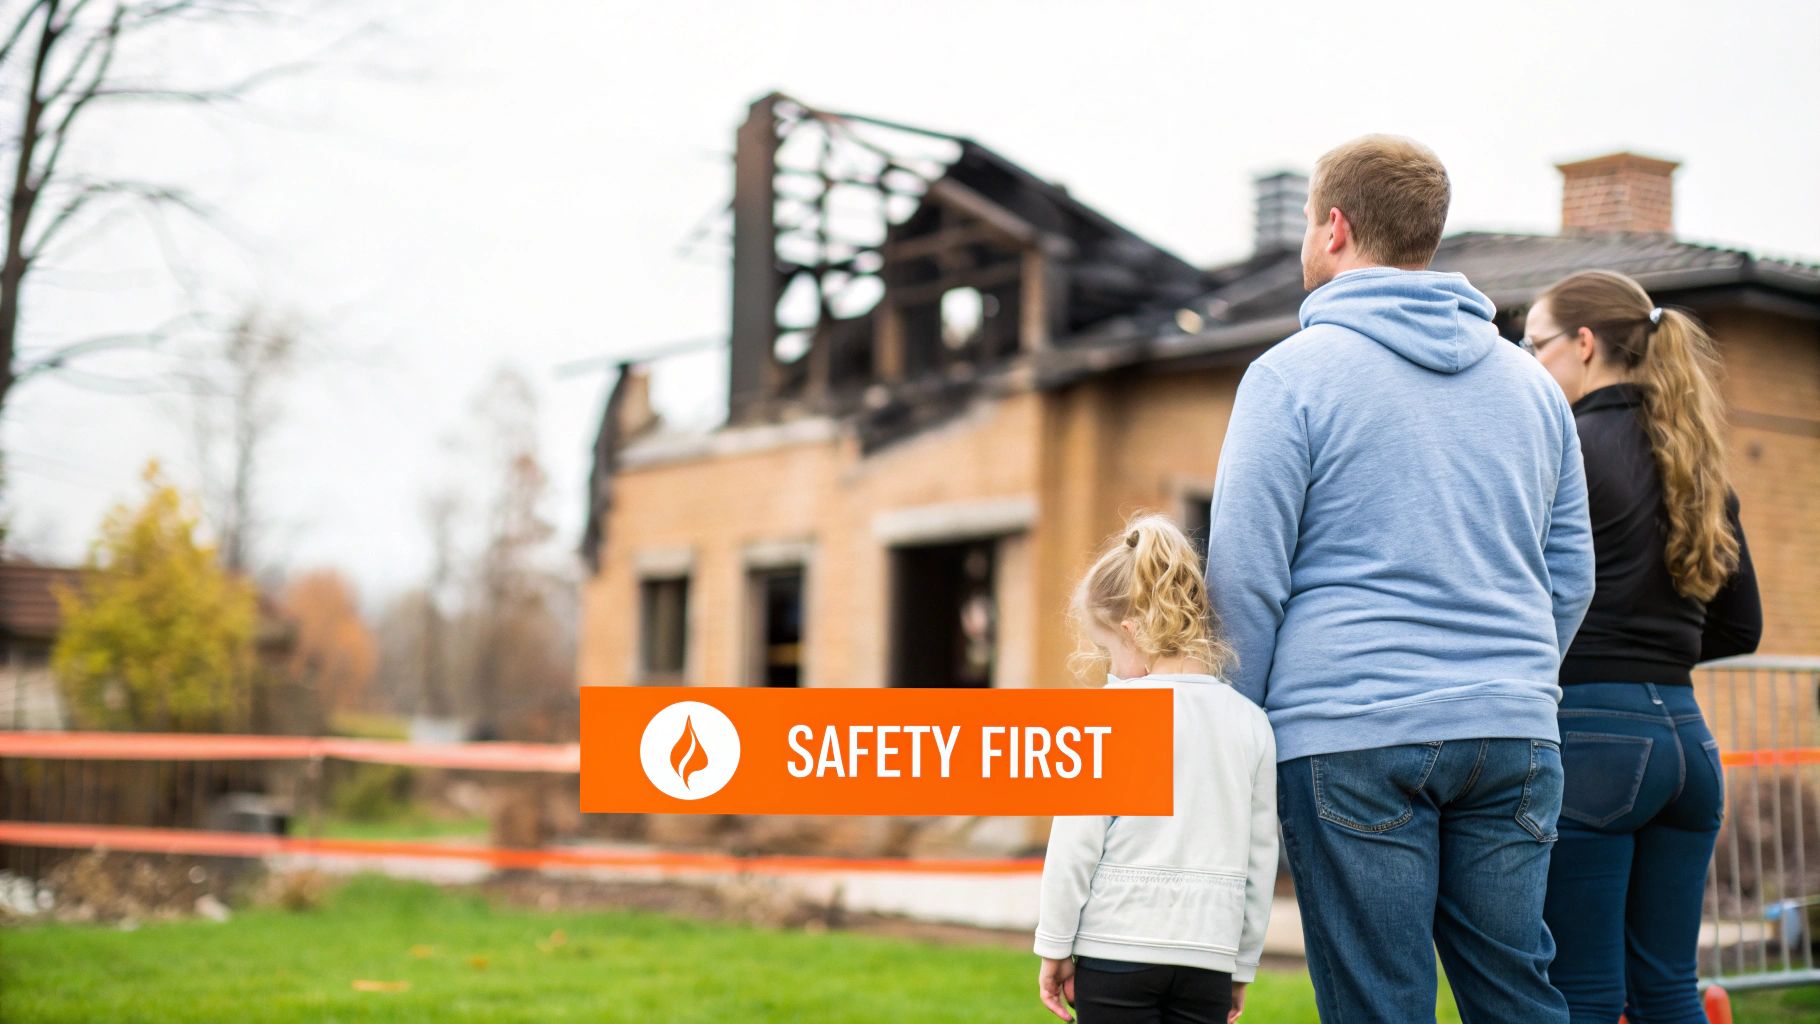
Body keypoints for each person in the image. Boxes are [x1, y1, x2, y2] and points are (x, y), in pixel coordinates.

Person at [1203, 134, 1595, 1023]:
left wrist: (1241, 732)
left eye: (1310, 223)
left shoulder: (1290, 376)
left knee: (1382, 1002)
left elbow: (1248, 576)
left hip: (1350, 733)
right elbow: (1569, 571)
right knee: (1517, 995)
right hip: (1515, 732)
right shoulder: (1532, 387)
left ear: (1333, 229)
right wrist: (1517, 674)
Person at [1525, 269, 1761, 1023]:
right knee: (1667, 991)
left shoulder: (1568, 451)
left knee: (1586, 993)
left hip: (1595, 741)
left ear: (1584, 345)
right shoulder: (1695, 461)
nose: (1528, 364)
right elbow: (1742, 626)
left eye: (1535, 345)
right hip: (1689, 744)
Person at [1034, 513, 1276, 1024]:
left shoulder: (1110, 718)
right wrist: (1241, 964)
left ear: (1132, 633)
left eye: (1107, 652)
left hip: (1116, 949)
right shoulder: (1251, 723)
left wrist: (1055, 945)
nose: (1110, 668)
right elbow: (1260, 856)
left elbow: (1075, 845)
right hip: (1207, 959)